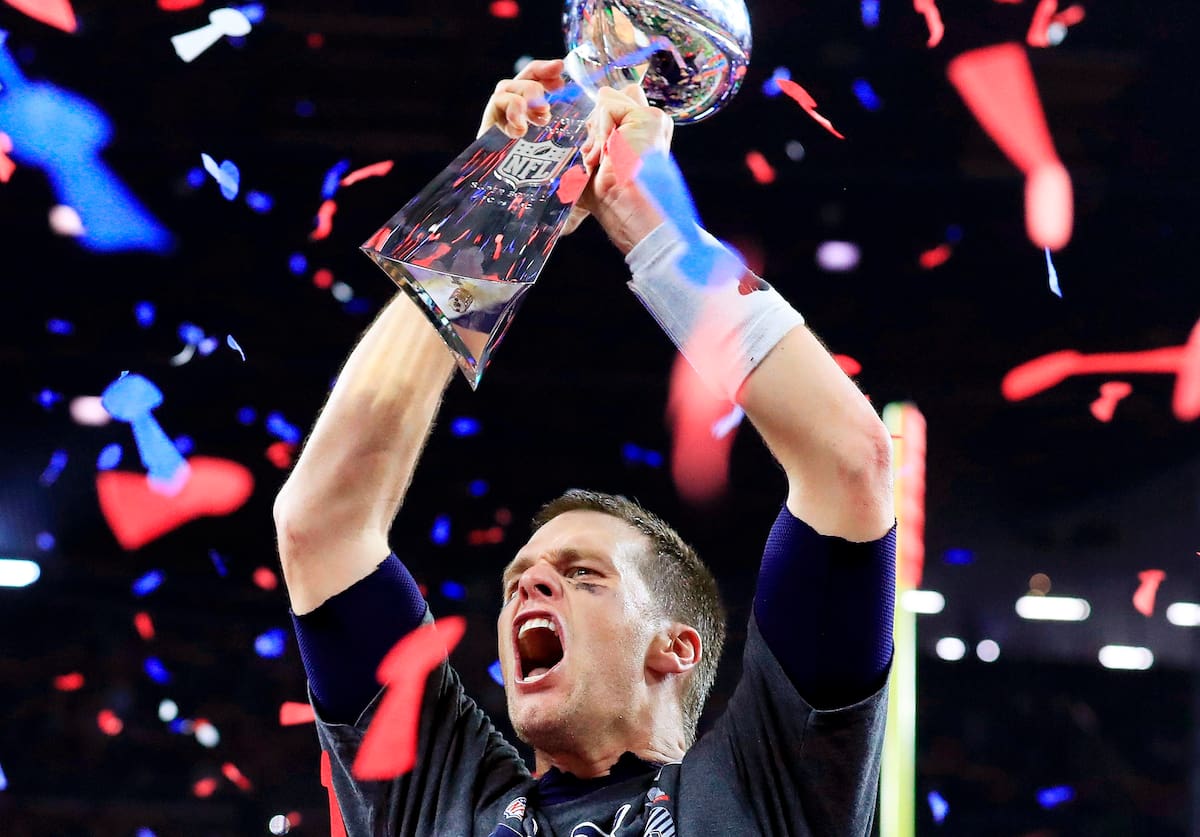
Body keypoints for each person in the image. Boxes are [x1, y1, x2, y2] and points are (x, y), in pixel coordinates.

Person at [274, 58, 897, 836]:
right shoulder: (442, 800)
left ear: (675, 646)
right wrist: (496, 211)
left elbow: (850, 461)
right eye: (517, 580)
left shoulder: (767, 788)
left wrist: (649, 221)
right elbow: (320, 526)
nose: (527, 588)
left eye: (583, 575)